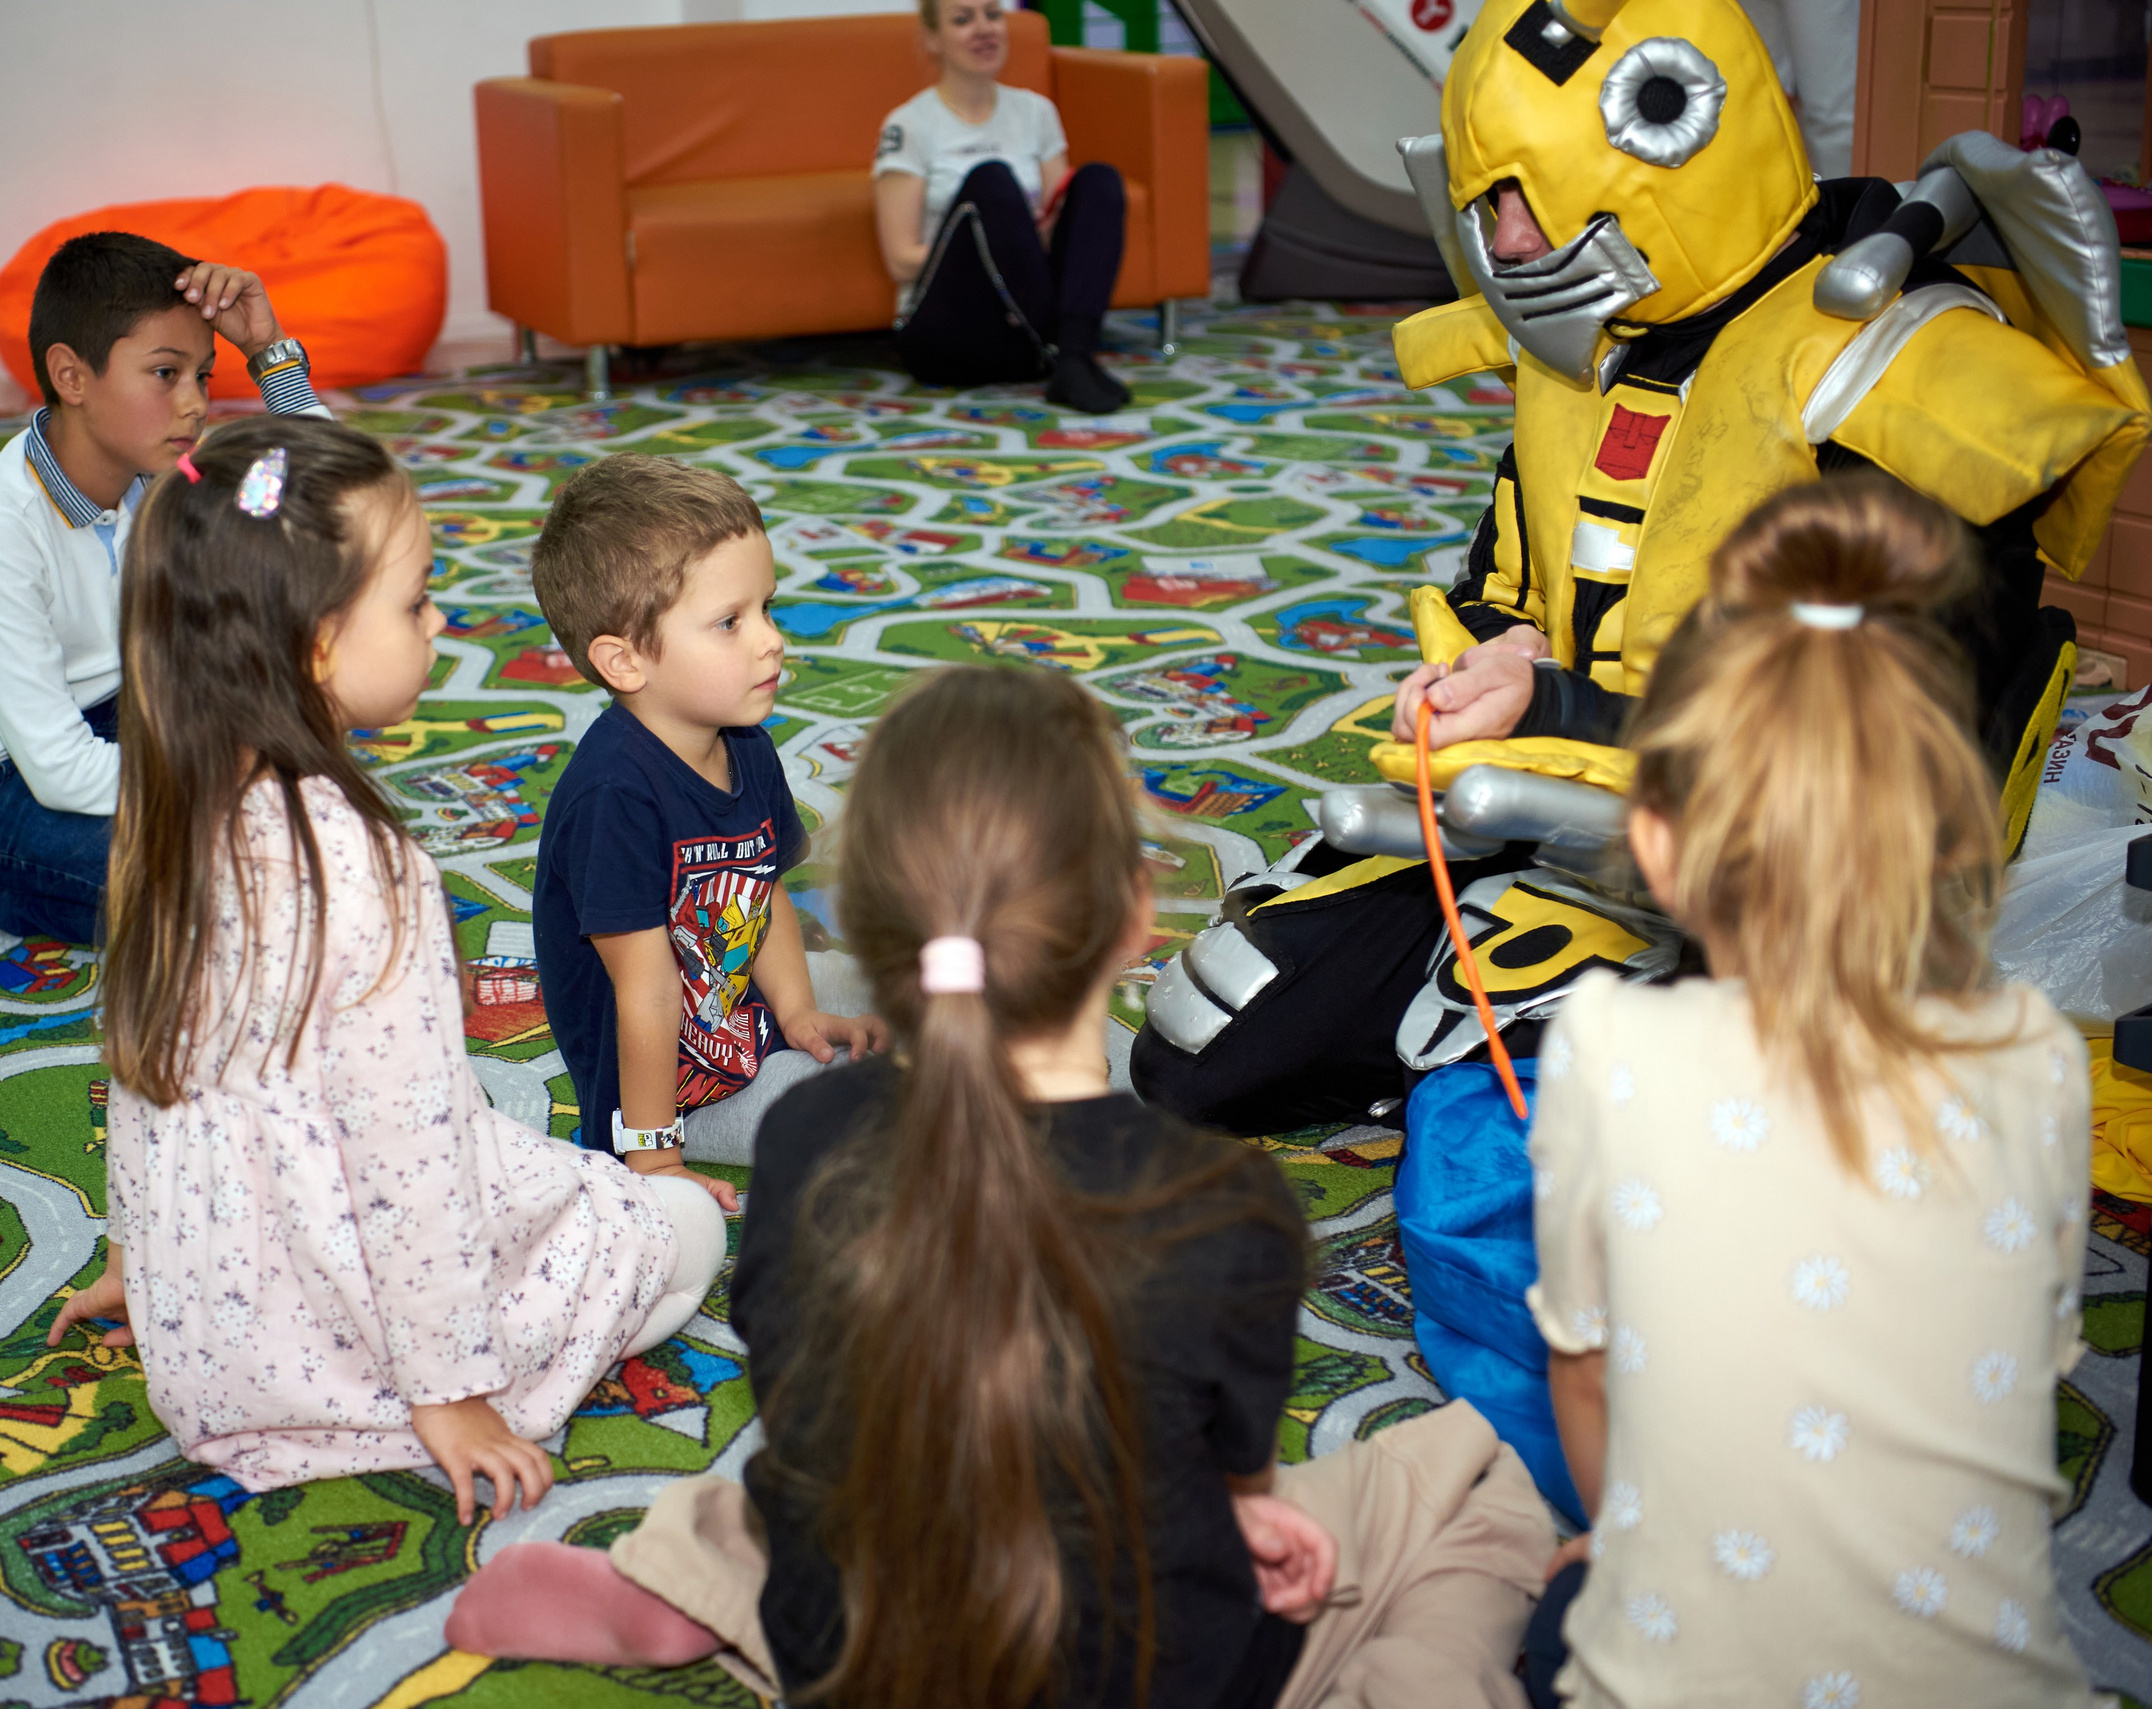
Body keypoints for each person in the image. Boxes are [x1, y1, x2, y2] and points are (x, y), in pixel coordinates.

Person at [444, 667, 1559, 1709]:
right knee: (1476, 1484)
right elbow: (1224, 1479)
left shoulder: (810, 1140)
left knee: (800, 1486)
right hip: (1143, 1665)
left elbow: (803, 1403)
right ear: (1134, 917)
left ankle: (690, 1578)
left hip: (867, 1644)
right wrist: (1250, 1517)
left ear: (876, 934)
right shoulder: (1226, 1202)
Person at [1133, 0, 2148, 1137]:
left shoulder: (1890, 366)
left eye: (1531, 191)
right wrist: (1498, 649)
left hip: (1794, 856)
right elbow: (1507, 582)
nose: (1510, 243)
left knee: (1600, 1136)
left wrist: (1556, 706)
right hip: (1560, 794)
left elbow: (1862, 743)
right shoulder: (1586, 348)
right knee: (1201, 1040)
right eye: (1487, 199)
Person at [44, 417, 726, 1524]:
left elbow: (138, 1076)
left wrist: (144, 1262)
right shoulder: (361, 863)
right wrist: (452, 1398)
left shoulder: (163, 818)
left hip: (212, 1341)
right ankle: (501, 1329)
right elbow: (406, 1161)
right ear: (316, 645)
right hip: (365, 1320)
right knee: (676, 1228)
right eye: (416, 602)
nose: (441, 620)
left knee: (546, 1174)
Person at [1520, 478, 2097, 1705]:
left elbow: (1583, 1372)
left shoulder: (1605, 1048)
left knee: (1539, 1597)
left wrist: (1615, 1545)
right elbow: (2027, 1369)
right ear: (1953, 836)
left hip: (1669, 1677)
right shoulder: (2044, 1054)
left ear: (1658, 842)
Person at [0, 230, 334, 945]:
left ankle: (53, 874)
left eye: (204, 376)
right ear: (71, 376)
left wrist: (269, 350)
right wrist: (230, 786)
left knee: (302, 815)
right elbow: (55, 768)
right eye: (164, 374)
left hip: (122, 712)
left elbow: (324, 500)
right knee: (227, 895)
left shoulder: (162, 479)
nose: (195, 405)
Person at [530, 453, 881, 1179]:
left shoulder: (745, 742)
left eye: (767, 607)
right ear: (625, 663)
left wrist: (800, 1013)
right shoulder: (614, 797)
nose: (770, 639)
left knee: (907, 989)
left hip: (741, 1020)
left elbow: (764, 888)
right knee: (867, 1121)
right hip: (672, 1091)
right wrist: (655, 1158)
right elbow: (648, 990)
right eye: (729, 622)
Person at [874, 0, 1132, 414]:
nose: (984, 29)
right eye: (963, 19)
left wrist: (1025, 241)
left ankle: (1073, 356)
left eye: (992, 15)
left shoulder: (1036, 112)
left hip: (1025, 332)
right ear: (933, 40)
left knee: (1100, 179)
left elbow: (1054, 222)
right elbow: (901, 260)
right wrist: (997, 237)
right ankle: (1065, 357)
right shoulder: (908, 125)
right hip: (950, 336)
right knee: (991, 183)